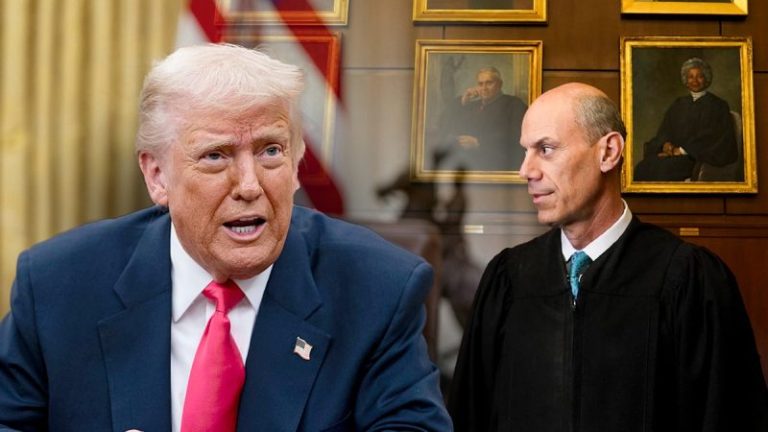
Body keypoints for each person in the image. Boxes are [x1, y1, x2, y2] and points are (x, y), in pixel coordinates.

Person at [0, 43, 451, 431]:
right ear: (157, 176)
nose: (250, 185)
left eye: (270, 151)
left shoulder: (378, 290)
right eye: (216, 156)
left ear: (296, 164)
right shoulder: (59, 286)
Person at [448, 82, 768, 431]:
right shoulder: (509, 277)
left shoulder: (688, 278)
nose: (526, 170)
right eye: (525, 151)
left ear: (608, 152)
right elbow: (471, 415)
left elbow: (730, 417)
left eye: (546, 149)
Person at [634, 57, 739, 181]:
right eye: (690, 77)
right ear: (686, 80)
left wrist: (682, 150)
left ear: (706, 79)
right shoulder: (679, 104)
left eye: (699, 76)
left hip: (697, 159)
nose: (695, 81)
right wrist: (665, 145)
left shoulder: (718, 106)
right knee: (642, 167)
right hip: (673, 155)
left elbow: (714, 139)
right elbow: (666, 130)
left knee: (663, 170)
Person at [436, 66, 527, 172]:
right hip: (468, 167)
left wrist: (479, 143)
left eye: (489, 83)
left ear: (499, 84)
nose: (484, 88)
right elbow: (443, 123)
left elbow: (516, 137)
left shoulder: (513, 104)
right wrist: (463, 100)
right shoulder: (471, 106)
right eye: (480, 84)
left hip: (496, 166)